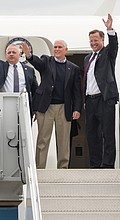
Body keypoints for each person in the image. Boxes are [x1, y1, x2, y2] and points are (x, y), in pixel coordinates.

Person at [21, 40, 82, 169]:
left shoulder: (73, 68)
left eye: (60, 47)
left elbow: (77, 91)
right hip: (46, 107)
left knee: (63, 141)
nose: (57, 49)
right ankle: (39, 169)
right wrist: (29, 55)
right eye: (55, 47)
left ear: (66, 50)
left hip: (64, 107)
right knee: (43, 139)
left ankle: (63, 169)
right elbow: (37, 63)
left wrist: (77, 109)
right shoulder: (47, 61)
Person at [84, 14, 119, 168]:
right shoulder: (87, 59)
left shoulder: (107, 54)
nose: (93, 43)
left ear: (102, 40)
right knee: (92, 135)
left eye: (96, 40)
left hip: (104, 99)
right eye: (91, 41)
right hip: (90, 101)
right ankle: (95, 164)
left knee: (107, 133)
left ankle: (107, 164)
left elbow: (114, 46)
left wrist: (110, 29)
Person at [0, 44, 38, 119]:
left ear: (20, 54)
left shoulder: (29, 70)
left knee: (23, 129)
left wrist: (35, 108)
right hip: (5, 104)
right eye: (9, 52)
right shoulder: (1, 67)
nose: (11, 54)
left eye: (14, 52)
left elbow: (35, 90)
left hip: (23, 105)